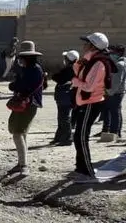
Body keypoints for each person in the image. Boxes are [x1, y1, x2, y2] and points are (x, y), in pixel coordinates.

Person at [71, 32, 115, 178]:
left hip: (91, 103)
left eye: (86, 43)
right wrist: (80, 62)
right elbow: (78, 73)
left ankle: (88, 171)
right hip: (85, 102)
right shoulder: (90, 61)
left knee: (81, 137)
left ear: (92, 46)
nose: (84, 45)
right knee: (78, 136)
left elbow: (88, 86)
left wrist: (75, 82)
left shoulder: (99, 63)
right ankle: (80, 168)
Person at [7, 41, 46, 174]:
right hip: (24, 103)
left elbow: (26, 87)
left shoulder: (35, 70)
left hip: (29, 104)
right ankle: (21, 163)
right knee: (20, 133)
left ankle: (23, 165)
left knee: (18, 133)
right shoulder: (27, 69)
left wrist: (15, 86)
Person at [51, 50, 79, 146]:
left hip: (65, 97)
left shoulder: (70, 69)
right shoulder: (75, 68)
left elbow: (56, 77)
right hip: (65, 97)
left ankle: (67, 138)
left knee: (64, 118)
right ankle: (59, 137)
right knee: (62, 118)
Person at [98, 44, 125, 143]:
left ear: (118, 53)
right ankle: (114, 132)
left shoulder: (119, 64)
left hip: (115, 92)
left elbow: (117, 81)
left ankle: (115, 133)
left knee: (114, 113)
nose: (110, 54)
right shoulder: (117, 63)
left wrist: (109, 92)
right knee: (115, 112)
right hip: (115, 92)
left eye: (113, 53)